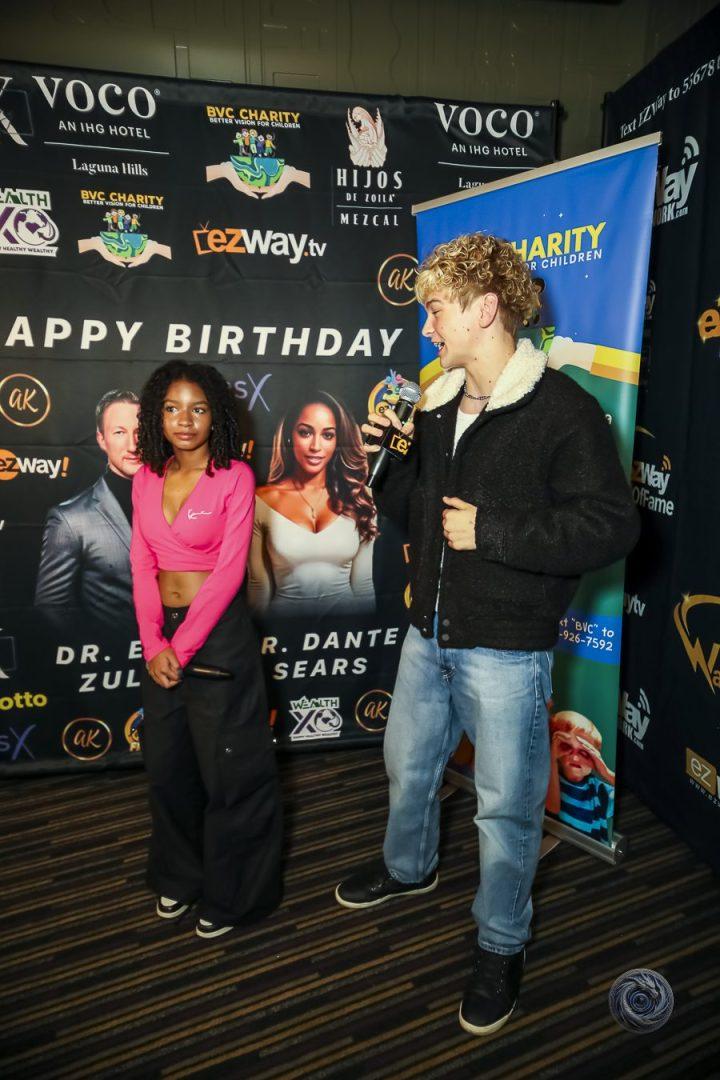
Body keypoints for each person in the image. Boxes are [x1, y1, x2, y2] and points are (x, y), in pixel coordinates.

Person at [334, 233, 640, 1036]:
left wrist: (494, 531)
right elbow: (413, 514)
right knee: (407, 768)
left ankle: (501, 943)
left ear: (484, 308)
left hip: (506, 646)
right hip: (428, 631)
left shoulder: (562, 409)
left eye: (436, 309)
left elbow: (612, 526)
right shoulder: (435, 404)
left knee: (505, 811)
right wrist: (390, 459)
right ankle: (409, 869)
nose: (426, 326)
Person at [131, 360, 282, 939]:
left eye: (197, 409)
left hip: (216, 633)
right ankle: (180, 874)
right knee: (168, 767)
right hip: (161, 637)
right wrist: (154, 642)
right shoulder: (146, 477)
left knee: (230, 772)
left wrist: (184, 644)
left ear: (215, 416)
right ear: (157, 417)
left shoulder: (234, 476)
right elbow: (141, 563)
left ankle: (236, 894)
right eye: (172, 408)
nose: (184, 420)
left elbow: (228, 572)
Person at [247, 392, 377, 615]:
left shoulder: (360, 497)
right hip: (284, 628)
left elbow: (363, 585)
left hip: (346, 629)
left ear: (338, 441)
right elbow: (258, 585)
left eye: (328, 435)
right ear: (289, 436)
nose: (316, 446)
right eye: (305, 432)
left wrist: (366, 632)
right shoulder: (261, 500)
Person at [34, 389, 140, 632]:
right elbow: (52, 607)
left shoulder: (176, 503)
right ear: (101, 439)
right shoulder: (70, 519)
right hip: (110, 650)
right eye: (119, 432)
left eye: (140, 432)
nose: (133, 444)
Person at [546, 710, 615, 843]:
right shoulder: (549, 779)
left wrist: (605, 772)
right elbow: (552, 808)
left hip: (593, 851)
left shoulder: (598, 790)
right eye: (566, 747)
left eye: (585, 753)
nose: (575, 758)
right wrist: (552, 758)